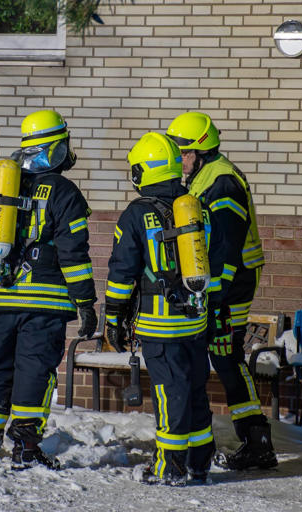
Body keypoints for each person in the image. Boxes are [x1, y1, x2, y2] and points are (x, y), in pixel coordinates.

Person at [0, 109, 97, 470]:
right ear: (56, 148)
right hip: (44, 303)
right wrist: (85, 301)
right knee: (34, 370)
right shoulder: (64, 192)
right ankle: (25, 444)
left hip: (0, 296)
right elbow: (73, 253)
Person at [104, 132, 226, 486]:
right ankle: (199, 462)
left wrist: (113, 318)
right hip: (196, 321)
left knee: (169, 393)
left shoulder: (136, 214)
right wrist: (213, 314)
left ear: (145, 170)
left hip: (160, 326)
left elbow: (122, 273)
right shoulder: (199, 208)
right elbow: (216, 265)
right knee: (194, 391)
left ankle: (169, 467)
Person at [166, 112, 277, 470]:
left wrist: (214, 297)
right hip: (220, 284)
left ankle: (257, 441)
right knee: (223, 356)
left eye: (181, 152)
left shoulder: (223, 183)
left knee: (227, 355)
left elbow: (226, 249)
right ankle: (253, 439)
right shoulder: (202, 178)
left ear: (200, 151)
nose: (177, 159)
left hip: (231, 283)